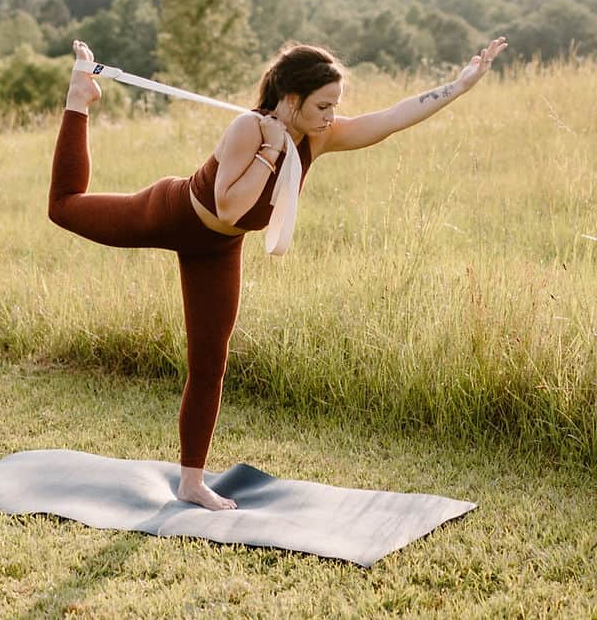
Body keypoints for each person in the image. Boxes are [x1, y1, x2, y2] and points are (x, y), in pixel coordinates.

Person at [49, 36, 508, 510]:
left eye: (335, 106)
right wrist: (269, 151)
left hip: (219, 249)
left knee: (210, 361)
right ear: (292, 99)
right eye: (324, 105)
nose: (332, 116)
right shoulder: (248, 129)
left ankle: (191, 482)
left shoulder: (318, 137)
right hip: (172, 213)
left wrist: (460, 86)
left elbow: (389, 121)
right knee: (63, 208)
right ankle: (79, 98)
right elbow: (229, 205)